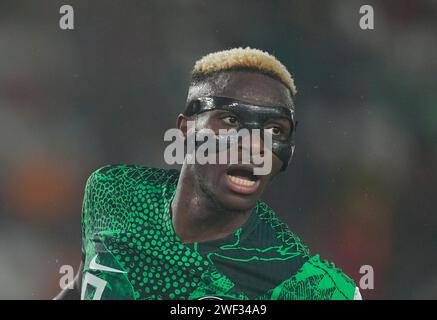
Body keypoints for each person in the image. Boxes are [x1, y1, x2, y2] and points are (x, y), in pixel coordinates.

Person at [55, 47, 361, 300]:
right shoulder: (114, 192)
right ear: (186, 130)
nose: (255, 146)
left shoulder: (309, 286)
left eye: (274, 129)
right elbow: (84, 285)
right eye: (230, 120)